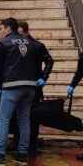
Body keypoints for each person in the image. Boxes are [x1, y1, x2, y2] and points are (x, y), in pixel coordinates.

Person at [0, 18, 48, 166]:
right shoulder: (32, 44)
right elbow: (41, 62)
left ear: (8, 28)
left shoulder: (4, 45)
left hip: (12, 87)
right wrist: (42, 78)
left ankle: (0, 155)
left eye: (1, 29)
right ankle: (22, 154)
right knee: (24, 119)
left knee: (3, 120)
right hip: (30, 87)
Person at [17, 21, 55, 155]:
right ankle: (19, 143)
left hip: (34, 86)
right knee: (18, 115)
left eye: (20, 33)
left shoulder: (37, 46)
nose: (19, 36)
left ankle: (32, 145)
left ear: (26, 32)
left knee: (33, 116)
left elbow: (50, 61)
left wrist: (43, 78)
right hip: (19, 85)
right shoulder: (18, 46)